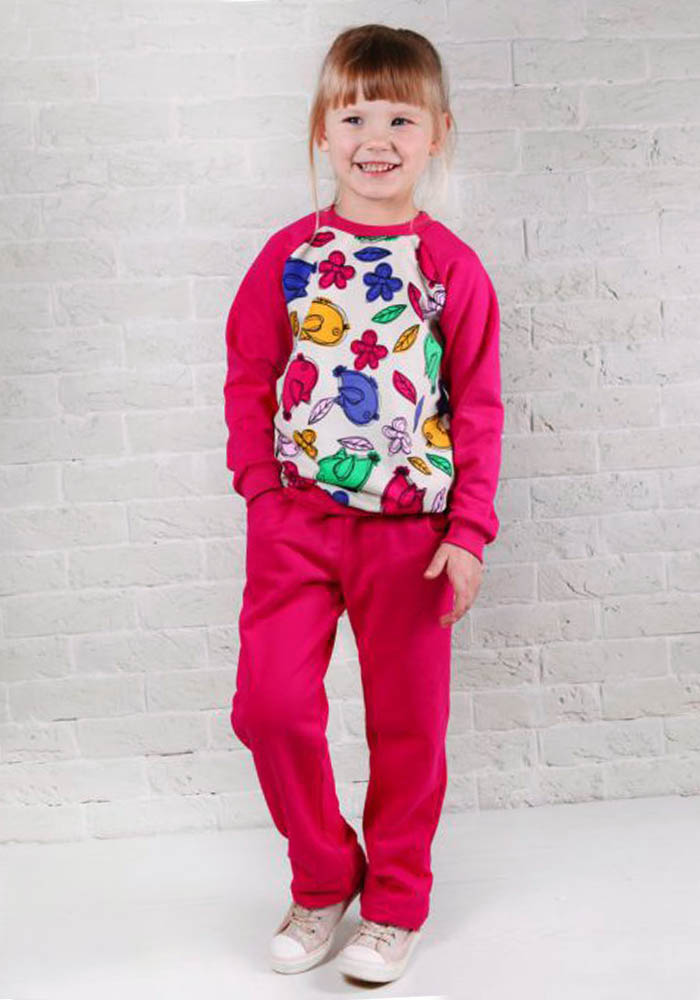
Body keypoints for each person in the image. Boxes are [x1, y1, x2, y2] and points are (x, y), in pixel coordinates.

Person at [223, 23, 504, 986]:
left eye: (399, 119)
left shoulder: (450, 267)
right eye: (353, 118)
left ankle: (393, 905)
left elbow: (478, 406)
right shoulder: (290, 256)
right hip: (295, 525)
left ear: (438, 134)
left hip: (413, 538)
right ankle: (323, 874)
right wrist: (260, 491)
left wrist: (469, 534)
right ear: (321, 130)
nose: (375, 139)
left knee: (407, 729)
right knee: (269, 707)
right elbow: (249, 374)